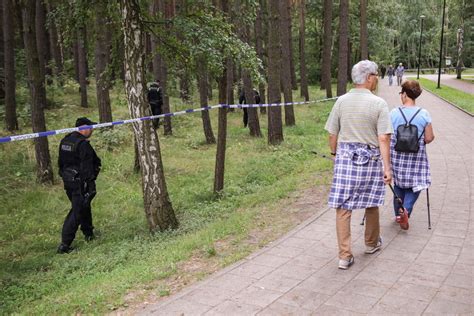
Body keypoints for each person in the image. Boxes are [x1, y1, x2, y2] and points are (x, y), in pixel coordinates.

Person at [324, 60, 393, 270]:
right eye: (376, 76)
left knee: (343, 208)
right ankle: (371, 243)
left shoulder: (341, 101)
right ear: (370, 77)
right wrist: (387, 168)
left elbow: (332, 133)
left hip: (345, 158)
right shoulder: (379, 104)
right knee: (371, 202)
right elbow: (383, 138)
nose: (377, 80)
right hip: (370, 159)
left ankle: (344, 256)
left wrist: (335, 154)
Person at [390, 80, 434, 228]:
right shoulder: (424, 114)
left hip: (397, 158)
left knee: (398, 186)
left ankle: (399, 215)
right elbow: (429, 138)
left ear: (404, 95)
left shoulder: (394, 113)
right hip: (416, 158)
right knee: (416, 184)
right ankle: (406, 211)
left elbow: (388, 135)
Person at [57, 117, 101, 254]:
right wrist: (90, 184)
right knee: (77, 211)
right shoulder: (83, 145)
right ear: (84, 128)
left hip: (68, 181)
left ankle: (88, 233)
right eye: (91, 127)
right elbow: (88, 166)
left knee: (84, 206)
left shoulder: (65, 141)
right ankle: (65, 244)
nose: (92, 130)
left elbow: (60, 163)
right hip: (80, 182)